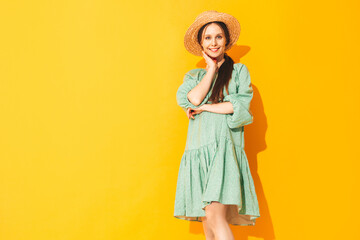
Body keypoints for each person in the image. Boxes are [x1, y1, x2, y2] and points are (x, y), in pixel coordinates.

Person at [173, 10, 260, 240]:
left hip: (223, 154)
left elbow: (238, 107)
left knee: (215, 216)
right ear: (201, 43)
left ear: (226, 41)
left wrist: (206, 107)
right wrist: (211, 69)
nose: (214, 42)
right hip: (198, 154)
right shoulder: (194, 77)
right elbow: (191, 99)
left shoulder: (239, 72)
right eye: (208, 38)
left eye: (218, 36)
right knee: (208, 221)